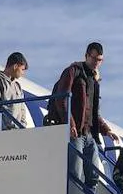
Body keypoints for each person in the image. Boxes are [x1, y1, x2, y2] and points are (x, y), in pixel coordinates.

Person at [47, 42, 113, 186]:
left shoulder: (93, 80)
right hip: (75, 132)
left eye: (99, 60)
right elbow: (62, 98)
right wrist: (70, 123)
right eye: (94, 58)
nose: (96, 63)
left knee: (94, 174)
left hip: (88, 134)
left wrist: (106, 129)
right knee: (75, 171)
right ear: (86, 56)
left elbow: (94, 111)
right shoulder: (73, 71)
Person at [0, 52, 29, 130]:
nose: (23, 73)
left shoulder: (18, 86)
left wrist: (22, 126)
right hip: (2, 132)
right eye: (22, 69)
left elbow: (22, 110)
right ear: (15, 66)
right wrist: (3, 129)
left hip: (17, 132)